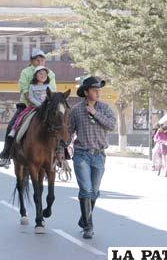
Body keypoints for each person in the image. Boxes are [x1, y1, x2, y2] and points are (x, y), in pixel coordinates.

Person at [69, 76, 116, 239]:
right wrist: (60, 153)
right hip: (81, 154)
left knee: (94, 191)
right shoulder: (75, 110)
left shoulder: (104, 108)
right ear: (86, 92)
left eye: (99, 90)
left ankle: (84, 218)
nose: (98, 93)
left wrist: (95, 113)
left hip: (99, 155)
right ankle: (88, 227)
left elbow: (111, 126)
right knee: (86, 190)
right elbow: (69, 132)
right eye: (95, 90)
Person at [0, 49, 57, 167]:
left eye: (42, 60)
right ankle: (6, 155)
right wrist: (34, 104)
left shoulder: (51, 73)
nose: (40, 62)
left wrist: (48, 105)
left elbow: (53, 91)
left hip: (46, 106)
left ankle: (60, 155)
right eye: (37, 60)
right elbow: (25, 90)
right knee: (11, 126)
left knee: (59, 124)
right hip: (27, 105)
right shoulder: (26, 72)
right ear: (31, 61)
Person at [9, 65, 52, 138]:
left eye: (45, 74)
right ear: (35, 75)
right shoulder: (32, 86)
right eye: (40, 73)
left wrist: (46, 104)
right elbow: (31, 98)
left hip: (47, 106)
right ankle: (14, 129)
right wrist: (39, 104)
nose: (43, 75)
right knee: (22, 114)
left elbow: (52, 96)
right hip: (34, 106)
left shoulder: (48, 86)